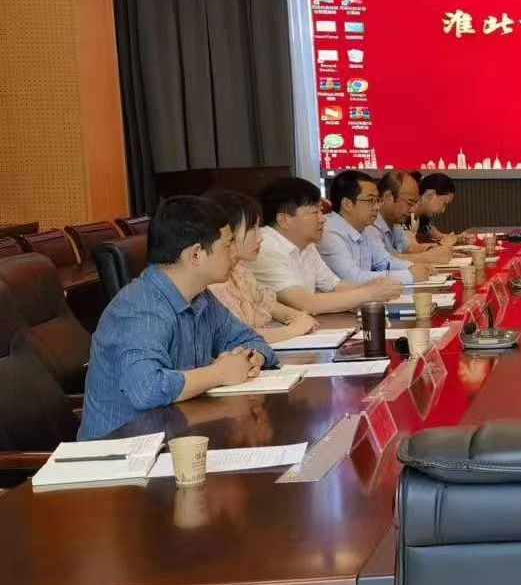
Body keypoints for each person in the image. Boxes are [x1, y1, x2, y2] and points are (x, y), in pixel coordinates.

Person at [81, 196, 278, 440]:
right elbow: (146, 389)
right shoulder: (141, 308)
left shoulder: (201, 297)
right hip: (122, 450)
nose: (234, 252)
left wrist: (251, 359)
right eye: (228, 245)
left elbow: (250, 339)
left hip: (177, 435)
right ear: (195, 255)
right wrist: (219, 373)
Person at [252, 177, 402, 314]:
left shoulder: (306, 245)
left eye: (321, 211)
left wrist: (371, 286)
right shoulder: (265, 248)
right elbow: (306, 303)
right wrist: (369, 293)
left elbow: (334, 286)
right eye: (314, 212)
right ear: (284, 220)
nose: (323, 219)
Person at [203, 190, 317, 344]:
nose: (260, 237)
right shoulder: (213, 282)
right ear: (226, 232)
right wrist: (293, 330)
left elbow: (269, 305)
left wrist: (298, 317)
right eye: (252, 229)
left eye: (259, 227)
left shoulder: (239, 270)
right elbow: (237, 336)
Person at [320, 170, 431, 288]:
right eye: (370, 201)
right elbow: (353, 278)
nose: (377, 207)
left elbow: (384, 261)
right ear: (347, 204)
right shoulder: (329, 233)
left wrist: (412, 267)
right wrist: (409, 275)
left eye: (377, 200)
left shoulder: (365, 229)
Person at [372, 171, 454, 263]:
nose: (412, 210)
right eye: (410, 203)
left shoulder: (394, 222)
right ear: (388, 197)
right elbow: (383, 261)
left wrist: (434, 250)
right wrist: (428, 257)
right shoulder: (370, 224)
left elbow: (408, 247)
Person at [415, 172, 460, 246]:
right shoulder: (406, 213)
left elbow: (438, 236)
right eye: (444, 204)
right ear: (430, 195)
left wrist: (459, 238)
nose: (443, 211)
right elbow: (410, 249)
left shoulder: (423, 216)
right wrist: (441, 244)